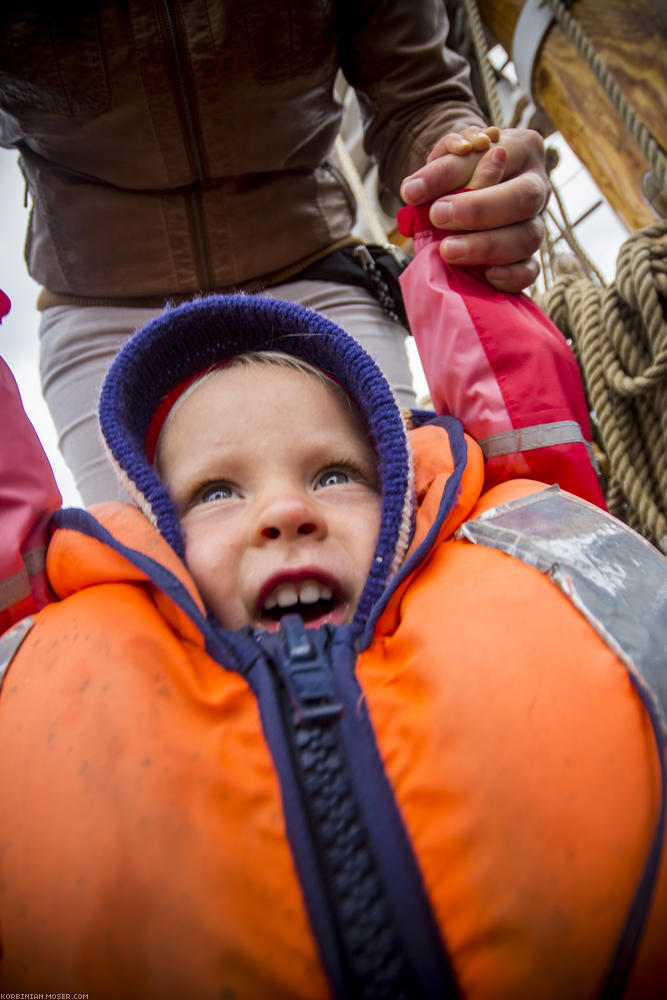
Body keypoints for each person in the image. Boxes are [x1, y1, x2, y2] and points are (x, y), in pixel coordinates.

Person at [1, 292, 666, 999]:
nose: (286, 512)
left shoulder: (538, 566)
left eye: (333, 475)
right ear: (160, 534)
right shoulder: (54, 677)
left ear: (399, 502)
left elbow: (521, 423)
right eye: (217, 492)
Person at [0, 0, 550, 504]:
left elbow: (416, 93)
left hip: (315, 277)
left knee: (397, 525)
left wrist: (466, 161)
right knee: (150, 579)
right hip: (103, 318)